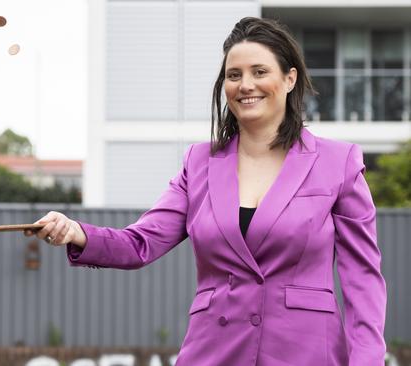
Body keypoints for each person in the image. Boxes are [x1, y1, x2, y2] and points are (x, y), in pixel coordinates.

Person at [23, 17, 386, 365]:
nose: (245, 85)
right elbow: (140, 243)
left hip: (306, 352)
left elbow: (363, 281)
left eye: (260, 72)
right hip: (214, 350)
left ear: (290, 79)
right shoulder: (199, 163)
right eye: (234, 75)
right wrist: (76, 232)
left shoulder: (338, 162)